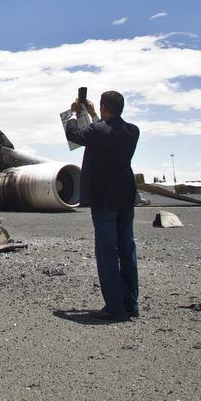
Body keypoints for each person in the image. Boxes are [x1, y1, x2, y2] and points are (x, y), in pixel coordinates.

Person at [63, 91, 141, 321]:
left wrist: (74, 113)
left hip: (104, 197)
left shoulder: (98, 131)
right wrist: (94, 114)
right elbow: (106, 130)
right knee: (127, 250)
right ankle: (131, 305)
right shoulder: (132, 131)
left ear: (105, 107)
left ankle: (114, 307)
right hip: (126, 196)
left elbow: (73, 134)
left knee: (107, 252)